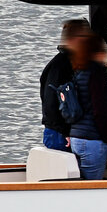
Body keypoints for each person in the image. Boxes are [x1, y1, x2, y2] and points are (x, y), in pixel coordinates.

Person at [68, 33, 107, 180]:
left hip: (77, 136)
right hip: (92, 140)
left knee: (83, 185)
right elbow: (99, 108)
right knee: (92, 187)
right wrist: (106, 137)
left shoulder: (78, 72)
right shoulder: (96, 73)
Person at [39, 18, 91, 152]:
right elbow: (51, 103)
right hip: (59, 134)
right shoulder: (61, 66)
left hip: (63, 132)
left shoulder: (70, 63)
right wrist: (65, 132)